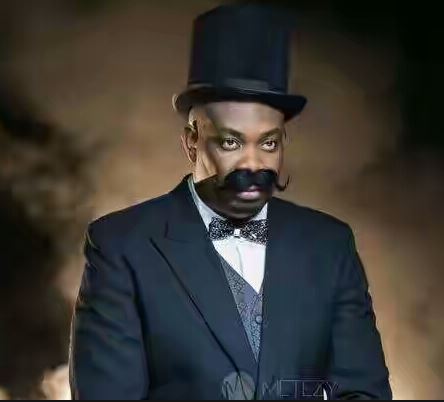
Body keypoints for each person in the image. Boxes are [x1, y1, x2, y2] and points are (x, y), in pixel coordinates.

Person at [69, 4, 392, 400]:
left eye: (269, 144)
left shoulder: (330, 244)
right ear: (191, 141)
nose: (253, 164)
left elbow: (364, 392)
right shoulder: (121, 245)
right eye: (230, 142)